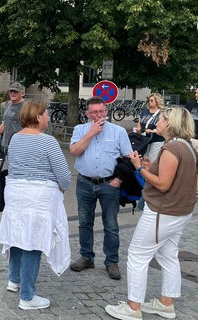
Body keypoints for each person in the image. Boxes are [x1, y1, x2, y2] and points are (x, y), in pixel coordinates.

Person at [105, 107, 197, 320]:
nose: (158, 119)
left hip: (162, 211)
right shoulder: (188, 146)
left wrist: (139, 168)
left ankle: (133, 307)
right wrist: (148, 166)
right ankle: (166, 303)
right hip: (180, 211)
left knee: (137, 256)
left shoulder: (172, 148)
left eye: (162, 118)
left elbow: (163, 184)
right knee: (168, 255)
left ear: (170, 123)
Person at [0, 101, 71, 310]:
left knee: (17, 236)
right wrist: (63, 186)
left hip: (15, 195)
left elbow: (13, 165)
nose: (48, 117)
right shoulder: (48, 142)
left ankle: (14, 280)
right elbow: (64, 176)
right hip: (38, 198)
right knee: (33, 242)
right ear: (38, 117)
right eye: (46, 114)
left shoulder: (15, 139)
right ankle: (27, 297)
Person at [69, 96, 132, 280]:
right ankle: (87, 256)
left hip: (109, 184)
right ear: (87, 114)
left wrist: (119, 179)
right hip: (85, 182)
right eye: (94, 112)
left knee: (111, 225)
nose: (99, 115)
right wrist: (91, 133)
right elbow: (74, 151)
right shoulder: (80, 130)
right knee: (84, 222)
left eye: (101, 111)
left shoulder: (118, 131)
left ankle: (111, 261)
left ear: (107, 111)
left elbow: (128, 159)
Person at [0, 82, 26, 156]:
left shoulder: (26, 106)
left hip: (20, 145)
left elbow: (30, 127)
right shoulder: (8, 104)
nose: (13, 93)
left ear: (22, 93)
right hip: (7, 144)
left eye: (16, 92)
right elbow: (5, 123)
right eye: (11, 91)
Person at [137, 93, 165, 161]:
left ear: (157, 101)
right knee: (144, 157)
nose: (149, 102)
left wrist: (153, 131)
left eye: (152, 100)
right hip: (145, 138)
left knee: (151, 158)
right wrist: (138, 127)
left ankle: (151, 171)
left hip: (157, 139)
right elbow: (140, 121)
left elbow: (164, 126)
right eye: (149, 100)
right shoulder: (145, 110)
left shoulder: (162, 112)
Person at [0, 91, 11, 160]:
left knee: (2, 138)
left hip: (4, 122)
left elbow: (2, 114)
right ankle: (8, 153)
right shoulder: (13, 104)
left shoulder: (2, 104)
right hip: (11, 124)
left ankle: (1, 154)